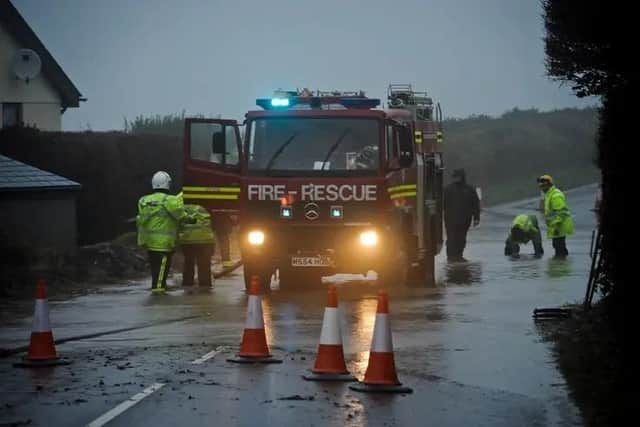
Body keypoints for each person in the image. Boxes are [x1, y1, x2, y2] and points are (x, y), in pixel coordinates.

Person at [136, 171, 184, 294]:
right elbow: (179, 214)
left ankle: (157, 287)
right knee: (162, 271)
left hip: (150, 243)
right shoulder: (170, 201)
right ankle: (158, 292)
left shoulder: (144, 200)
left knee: (155, 270)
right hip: (164, 244)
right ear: (167, 183)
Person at [444, 168, 480, 262]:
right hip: (450, 219)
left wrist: (476, 218)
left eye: (458, 177)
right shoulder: (448, 189)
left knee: (461, 238)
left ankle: (459, 256)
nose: (456, 179)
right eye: (455, 177)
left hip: (465, 220)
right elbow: (442, 204)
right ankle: (451, 257)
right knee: (451, 238)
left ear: (462, 177)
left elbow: (475, 204)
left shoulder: (470, 189)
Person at [537, 174, 574, 258]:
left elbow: (561, 212)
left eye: (543, 185)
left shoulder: (555, 195)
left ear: (549, 184)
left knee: (559, 248)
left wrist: (557, 226)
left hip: (559, 227)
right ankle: (562, 264)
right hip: (555, 227)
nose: (542, 188)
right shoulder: (549, 194)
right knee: (557, 246)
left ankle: (562, 266)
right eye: (540, 186)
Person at [178, 204, 215, 288]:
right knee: (204, 264)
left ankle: (187, 284)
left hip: (187, 240)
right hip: (205, 240)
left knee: (188, 263)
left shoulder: (181, 204)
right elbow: (215, 222)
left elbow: (178, 222)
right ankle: (205, 285)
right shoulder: (208, 204)